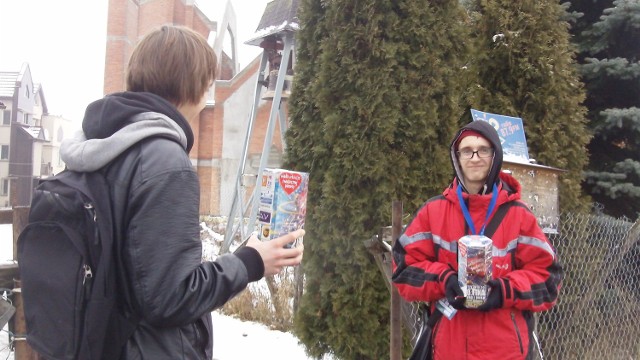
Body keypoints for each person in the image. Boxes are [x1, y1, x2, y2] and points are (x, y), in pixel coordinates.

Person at [60, 25, 304, 359]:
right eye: (207, 83)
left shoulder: (97, 148)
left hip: (98, 343)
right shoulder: (164, 161)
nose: (206, 100)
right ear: (191, 86)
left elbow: (137, 270)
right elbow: (170, 297)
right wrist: (250, 263)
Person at [391, 120, 562, 360]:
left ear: (495, 156)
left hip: (505, 352)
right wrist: (444, 280)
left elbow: (548, 281)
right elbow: (403, 270)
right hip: (449, 350)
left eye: (483, 150)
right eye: (467, 150)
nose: (475, 157)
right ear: (457, 157)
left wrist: (503, 291)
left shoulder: (519, 215)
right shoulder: (433, 212)